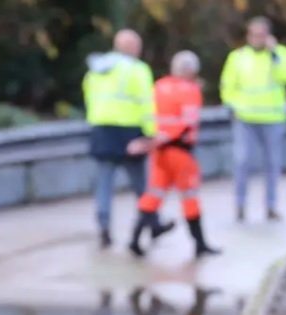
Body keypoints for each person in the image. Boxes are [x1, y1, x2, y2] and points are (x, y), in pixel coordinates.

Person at [82, 29, 174, 250]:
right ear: (131, 47)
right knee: (141, 184)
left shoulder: (95, 71)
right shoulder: (137, 70)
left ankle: (104, 228)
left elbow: (89, 97)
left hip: (102, 131)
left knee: (104, 183)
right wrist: (151, 133)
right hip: (130, 131)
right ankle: (151, 222)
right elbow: (146, 103)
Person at [127, 50, 220, 260]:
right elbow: (187, 122)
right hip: (179, 151)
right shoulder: (191, 90)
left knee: (153, 194)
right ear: (190, 70)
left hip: (159, 150)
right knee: (189, 196)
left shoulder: (159, 86)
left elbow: (150, 114)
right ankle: (200, 244)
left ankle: (134, 240)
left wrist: (151, 141)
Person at [220, 16, 286, 222]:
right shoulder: (237, 57)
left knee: (273, 164)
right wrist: (234, 107)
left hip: (272, 117)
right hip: (245, 118)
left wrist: (274, 54)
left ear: (269, 36)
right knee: (242, 161)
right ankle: (240, 205)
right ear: (248, 35)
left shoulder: (281, 55)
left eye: (262, 35)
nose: (257, 38)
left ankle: (271, 207)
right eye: (254, 34)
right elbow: (227, 85)